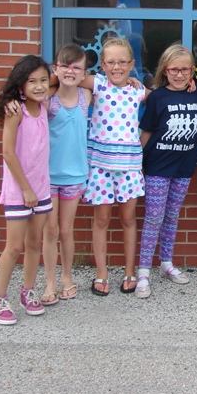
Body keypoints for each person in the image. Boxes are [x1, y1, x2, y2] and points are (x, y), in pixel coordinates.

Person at [135, 45, 197, 298]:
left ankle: (166, 262)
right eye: (174, 70)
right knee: (154, 217)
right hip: (157, 166)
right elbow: (147, 131)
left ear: (192, 71)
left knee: (171, 216)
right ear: (165, 71)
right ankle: (143, 271)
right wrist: (136, 162)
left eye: (185, 69)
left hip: (183, 167)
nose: (179, 74)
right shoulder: (158, 97)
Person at [81, 37, 147, 296]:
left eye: (122, 62)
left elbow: (164, 99)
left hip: (129, 167)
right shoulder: (97, 83)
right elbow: (67, 78)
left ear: (131, 64)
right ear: (103, 64)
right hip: (100, 166)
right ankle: (101, 273)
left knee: (128, 219)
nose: (116, 67)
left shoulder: (138, 90)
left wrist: (189, 87)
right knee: (101, 220)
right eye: (111, 62)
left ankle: (130, 271)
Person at [0, 55, 52, 325]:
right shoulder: (16, 111)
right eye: (32, 81)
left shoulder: (44, 104)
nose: (39, 86)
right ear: (21, 84)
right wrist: (26, 189)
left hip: (41, 188)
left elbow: (67, 79)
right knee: (14, 246)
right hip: (20, 190)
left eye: (43, 80)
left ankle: (28, 290)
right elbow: (7, 152)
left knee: (34, 243)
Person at [40, 44, 91, 305]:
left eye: (76, 67)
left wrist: (134, 83)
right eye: (65, 66)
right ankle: (49, 281)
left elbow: (108, 83)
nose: (70, 71)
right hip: (48, 176)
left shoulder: (87, 96)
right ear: (55, 68)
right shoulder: (48, 100)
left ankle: (67, 277)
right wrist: (52, 79)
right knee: (50, 230)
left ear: (84, 73)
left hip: (75, 176)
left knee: (67, 230)